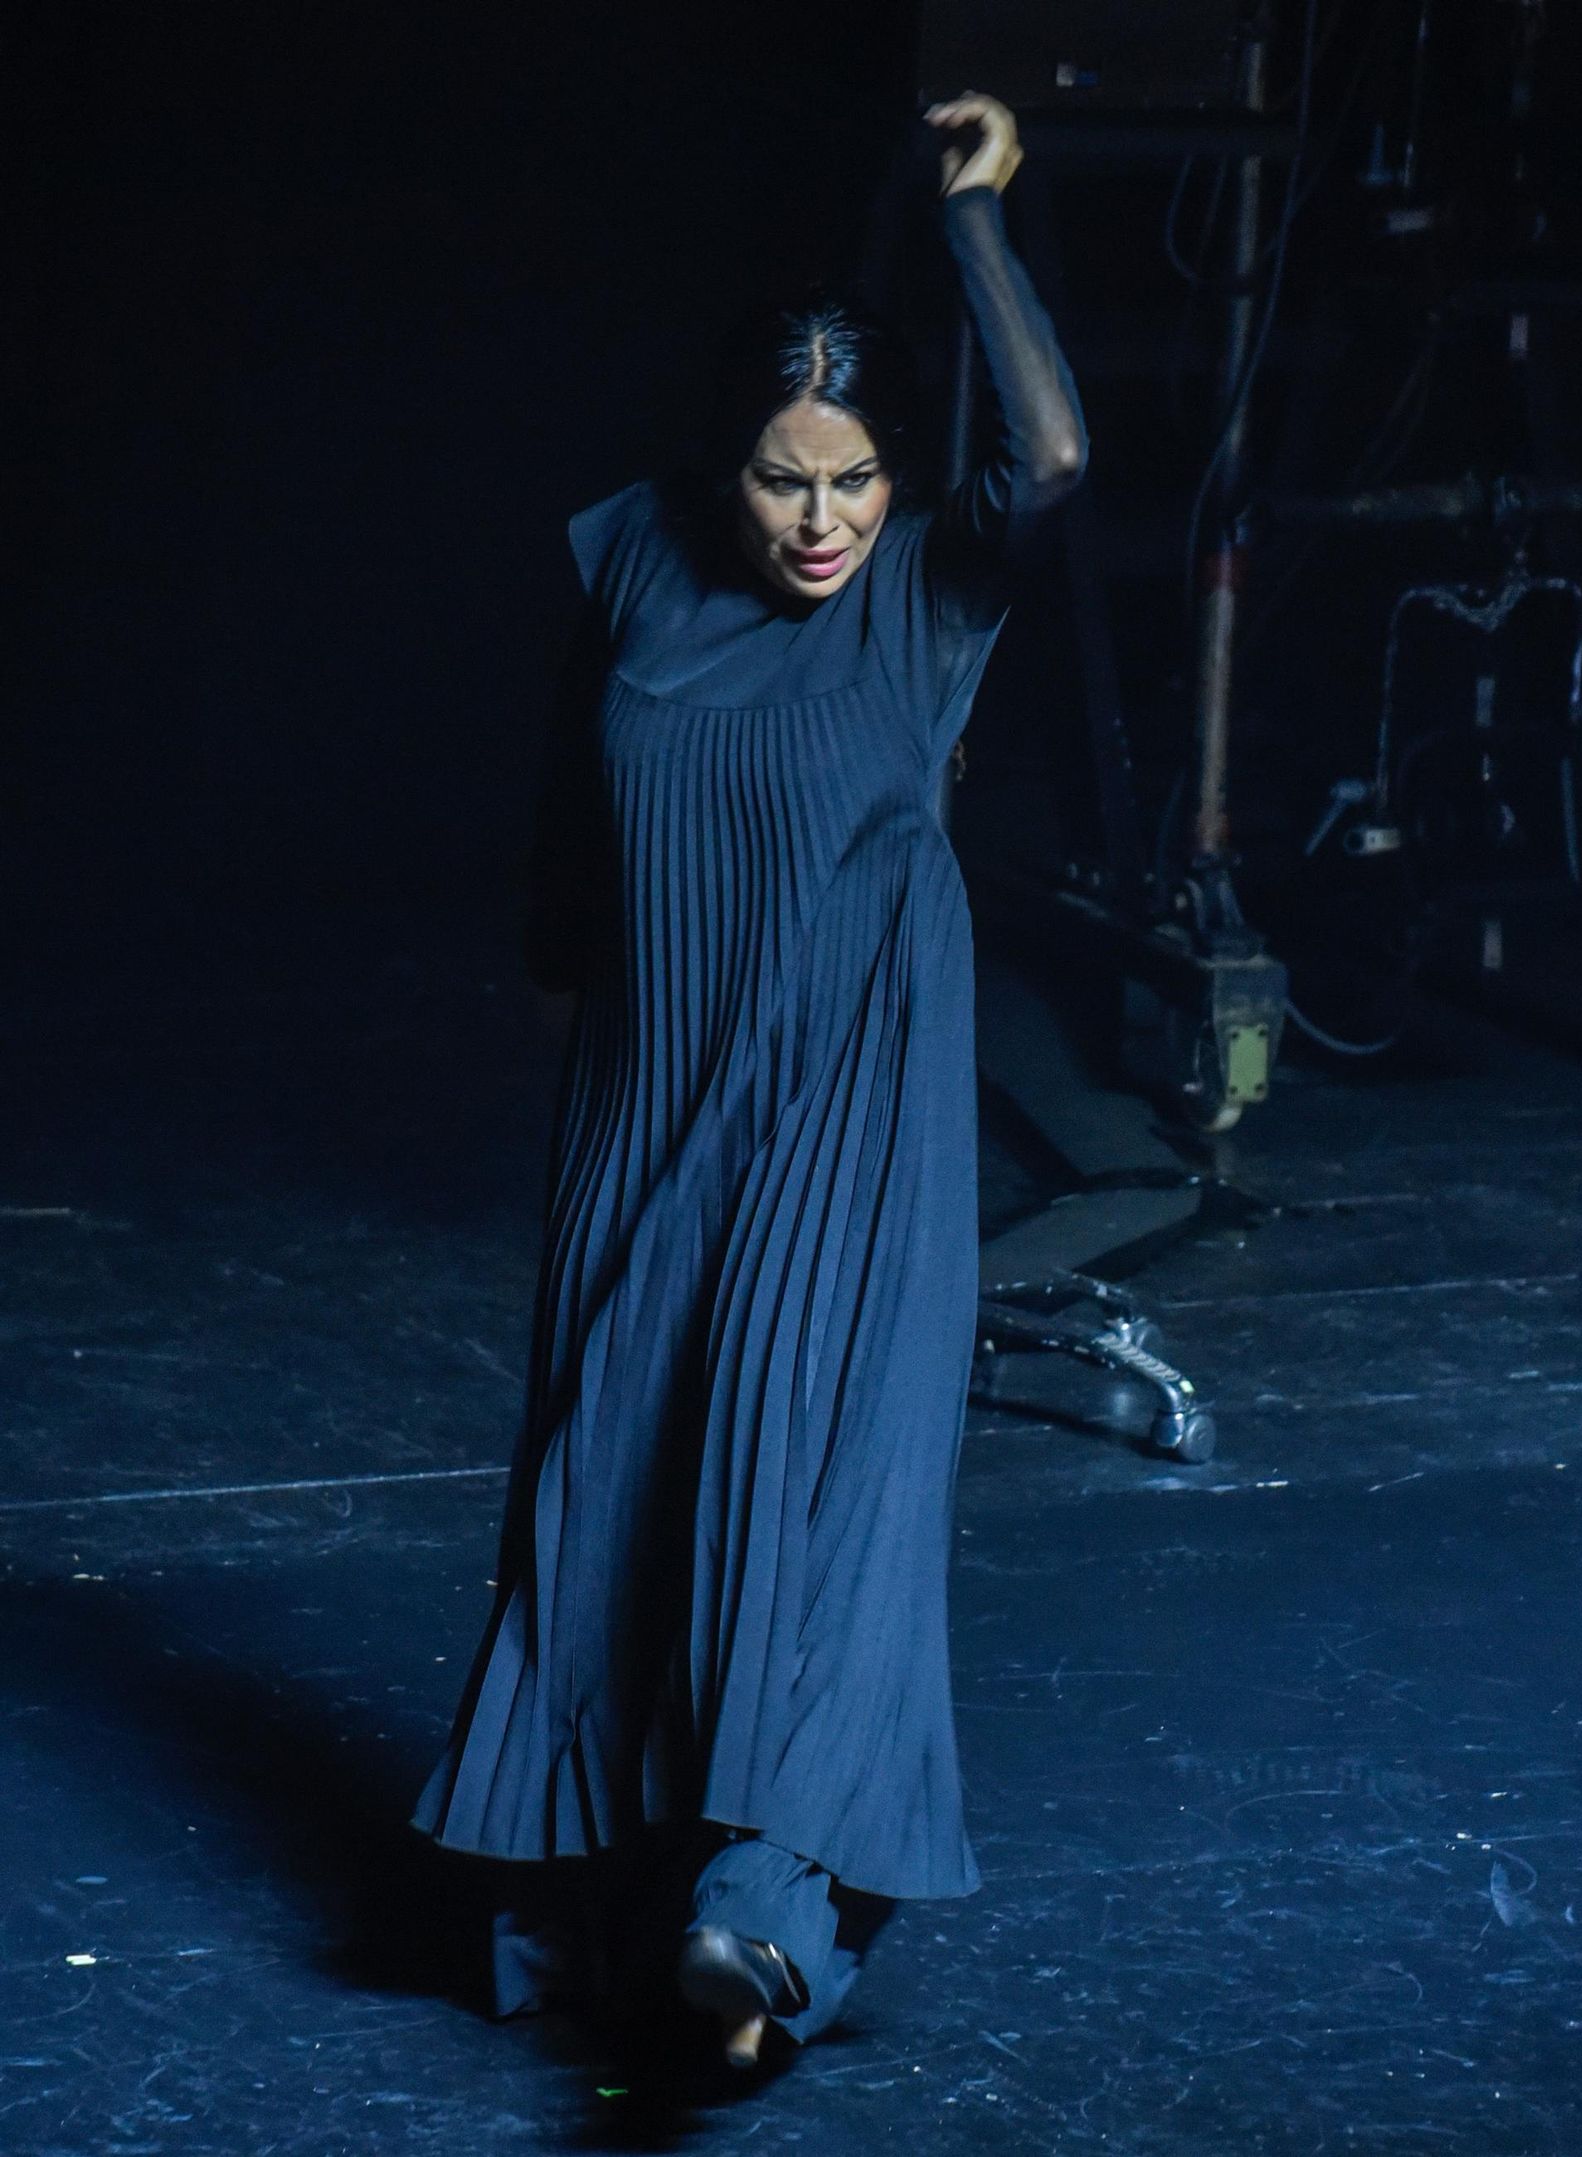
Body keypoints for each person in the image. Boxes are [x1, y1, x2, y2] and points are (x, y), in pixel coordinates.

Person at [410, 91, 1088, 2071]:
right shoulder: (633, 569)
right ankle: (615, 1891)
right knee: (611, 1490)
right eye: (787, 480)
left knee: (811, 1496)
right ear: (728, 468)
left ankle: (756, 1913)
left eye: (857, 477)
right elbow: (566, 839)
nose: (820, 521)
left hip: (855, 1116)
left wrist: (972, 223)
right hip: (651, 1106)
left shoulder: (928, 599)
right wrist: (580, 1022)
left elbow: (1045, 453)